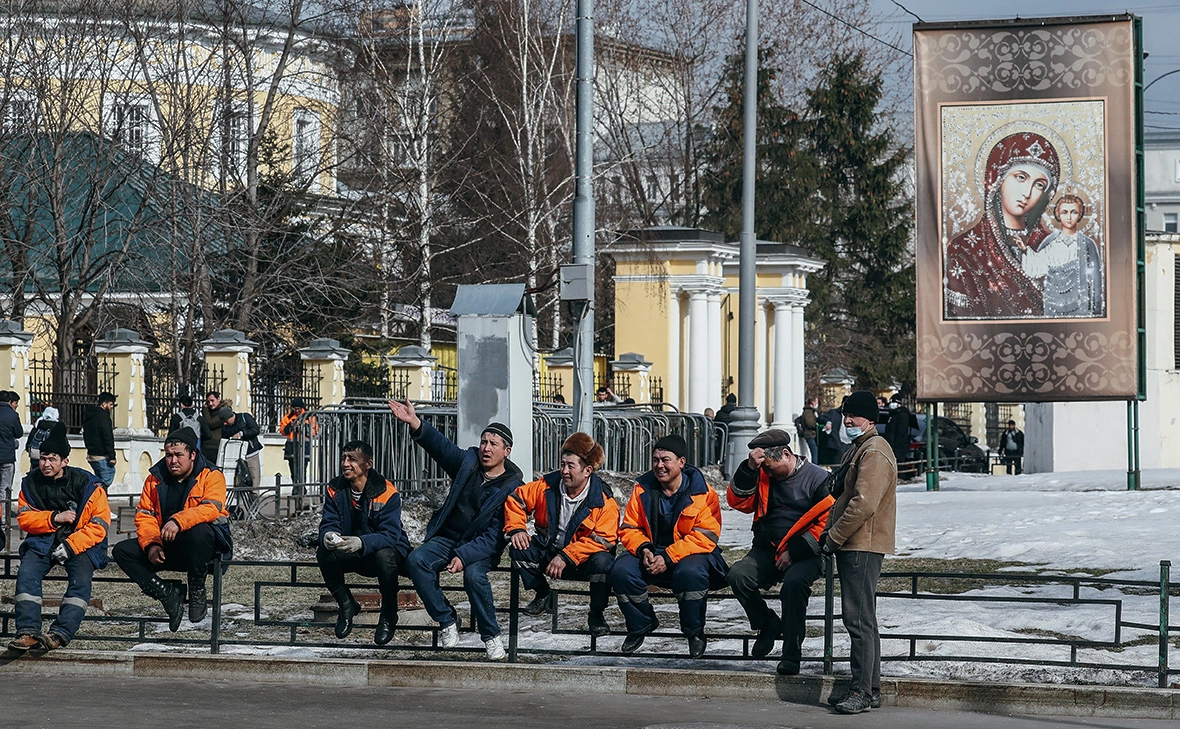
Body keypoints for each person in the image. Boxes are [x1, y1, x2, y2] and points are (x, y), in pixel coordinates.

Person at [389, 399, 524, 661]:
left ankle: (491, 636)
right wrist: (415, 423)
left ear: (506, 451)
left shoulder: (513, 487)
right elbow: (441, 447)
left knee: (473, 576)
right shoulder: (468, 462)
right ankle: (447, 620)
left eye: (493, 444)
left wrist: (464, 556)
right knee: (417, 560)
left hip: (481, 547)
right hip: (448, 538)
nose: (486, 448)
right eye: (483, 442)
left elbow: (494, 536)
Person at [726, 429, 834, 675]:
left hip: (807, 552)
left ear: (786, 454)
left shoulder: (819, 479)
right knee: (738, 575)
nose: (768, 472)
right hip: (768, 548)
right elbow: (738, 502)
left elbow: (827, 523)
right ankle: (768, 624)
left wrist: (794, 552)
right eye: (764, 468)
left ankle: (791, 654)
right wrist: (748, 470)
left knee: (793, 585)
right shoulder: (763, 475)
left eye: (770, 467)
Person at [610, 434, 727, 658]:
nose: (659, 465)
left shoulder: (704, 493)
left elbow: (706, 536)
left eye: (665, 460)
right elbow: (629, 527)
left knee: (690, 572)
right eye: (655, 460)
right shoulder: (642, 489)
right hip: (652, 552)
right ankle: (641, 624)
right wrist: (644, 549)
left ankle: (694, 632)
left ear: (681, 462)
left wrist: (668, 557)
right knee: (621, 570)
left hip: (691, 554)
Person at [820, 390, 897, 714]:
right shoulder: (862, 447)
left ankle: (861, 691)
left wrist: (833, 537)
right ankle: (870, 688)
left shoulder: (874, 450)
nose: (848, 421)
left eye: (854, 415)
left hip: (861, 544)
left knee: (857, 619)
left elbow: (863, 504)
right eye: (845, 415)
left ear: (870, 419)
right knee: (863, 618)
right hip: (857, 543)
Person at [112, 428, 233, 630]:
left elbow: (211, 509)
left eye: (179, 455)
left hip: (202, 550)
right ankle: (167, 593)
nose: (173, 461)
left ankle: (197, 588)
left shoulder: (211, 475)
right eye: (168, 455)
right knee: (122, 551)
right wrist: (152, 544)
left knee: (200, 531)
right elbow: (145, 515)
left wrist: (178, 521)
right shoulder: (155, 478)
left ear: (192, 454)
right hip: (166, 545)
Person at [505, 432, 618, 637]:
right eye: (562, 464)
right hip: (550, 550)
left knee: (604, 562)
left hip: (583, 560)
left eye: (570, 466)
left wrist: (567, 556)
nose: (564, 471)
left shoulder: (603, 501)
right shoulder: (546, 486)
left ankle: (597, 613)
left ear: (587, 471)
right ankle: (543, 593)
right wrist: (517, 528)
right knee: (519, 549)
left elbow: (605, 540)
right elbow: (516, 499)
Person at [7, 430, 109, 652]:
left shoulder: (88, 484)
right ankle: (27, 632)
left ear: (65, 461)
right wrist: (54, 517)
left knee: (81, 582)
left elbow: (99, 526)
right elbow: (25, 518)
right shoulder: (30, 483)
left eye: (52, 459)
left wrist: (71, 546)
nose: (46, 464)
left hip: (80, 542)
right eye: (43, 458)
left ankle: (60, 634)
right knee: (27, 575)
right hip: (43, 540)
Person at [944, 131, 1060, 320]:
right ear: (998, 179)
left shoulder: (1051, 245)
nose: (1027, 192)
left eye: (1039, 185)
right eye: (1021, 177)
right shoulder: (964, 251)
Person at [317, 439, 411, 645]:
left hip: (386, 553)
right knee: (324, 552)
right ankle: (346, 604)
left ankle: (389, 613)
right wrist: (328, 535)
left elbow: (391, 534)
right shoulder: (335, 488)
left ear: (368, 464)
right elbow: (329, 520)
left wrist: (361, 542)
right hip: (352, 550)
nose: (345, 464)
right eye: (343, 458)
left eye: (352, 459)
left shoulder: (386, 491)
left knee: (384, 555)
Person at [1021, 194, 1104, 318]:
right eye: (1064, 212)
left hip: (1080, 304)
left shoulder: (1087, 244)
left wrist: (1096, 309)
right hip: (1052, 304)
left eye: (1074, 212)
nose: (1069, 217)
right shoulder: (1051, 241)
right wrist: (1024, 250)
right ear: (1058, 215)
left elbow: (1096, 279)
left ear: (1080, 214)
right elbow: (1038, 266)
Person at [220, 406, 262, 490]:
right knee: (237, 481)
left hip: (251, 454)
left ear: (231, 416)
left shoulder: (245, 417)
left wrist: (241, 434)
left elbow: (255, 430)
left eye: (226, 420)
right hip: (235, 457)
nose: (224, 423)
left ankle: (254, 497)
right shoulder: (225, 427)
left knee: (254, 479)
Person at [279, 397, 317, 485]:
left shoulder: (309, 417)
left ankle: (301, 487)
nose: (297, 411)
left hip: (304, 448)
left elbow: (314, 432)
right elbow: (282, 431)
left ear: (302, 408)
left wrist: (303, 426)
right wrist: (290, 426)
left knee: (302, 469)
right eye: (295, 409)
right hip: (291, 449)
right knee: (293, 470)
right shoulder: (288, 417)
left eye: (298, 409)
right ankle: (295, 487)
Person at [82, 391, 117, 488]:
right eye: (110, 404)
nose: (111, 407)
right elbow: (107, 437)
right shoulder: (103, 417)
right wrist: (112, 456)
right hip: (102, 455)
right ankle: (96, 495)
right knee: (106, 479)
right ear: (104, 404)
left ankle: (97, 494)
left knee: (98, 479)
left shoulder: (90, 416)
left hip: (92, 454)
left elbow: (85, 433)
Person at [0, 389, 24, 528]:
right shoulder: (12, 415)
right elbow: (19, 433)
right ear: (9, 401)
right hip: (7, 457)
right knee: (5, 488)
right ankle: (3, 519)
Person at [25, 407, 67, 472]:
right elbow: (64, 443)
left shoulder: (38, 424)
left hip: (35, 455)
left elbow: (29, 441)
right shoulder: (57, 427)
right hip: (52, 457)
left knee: (35, 473)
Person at [883, 396, 915, 463]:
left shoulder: (902, 415)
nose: (891, 404)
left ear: (899, 404)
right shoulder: (892, 415)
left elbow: (901, 434)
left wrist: (896, 450)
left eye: (894, 402)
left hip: (897, 450)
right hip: (890, 448)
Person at [200, 391, 227, 464]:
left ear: (218, 399)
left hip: (216, 447)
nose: (210, 404)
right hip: (206, 446)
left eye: (212, 401)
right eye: (208, 402)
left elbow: (210, 423)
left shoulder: (224, 412)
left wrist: (205, 410)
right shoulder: (209, 412)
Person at [794, 397, 819, 464]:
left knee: (813, 450)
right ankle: (815, 465)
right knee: (814, 450)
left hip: (810, 433)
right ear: (813, 402)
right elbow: (810, 423)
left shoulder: (810, 411)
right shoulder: (809, 411)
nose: (817, 404)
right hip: (809, 434)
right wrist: (816, 425)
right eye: (816, 402)